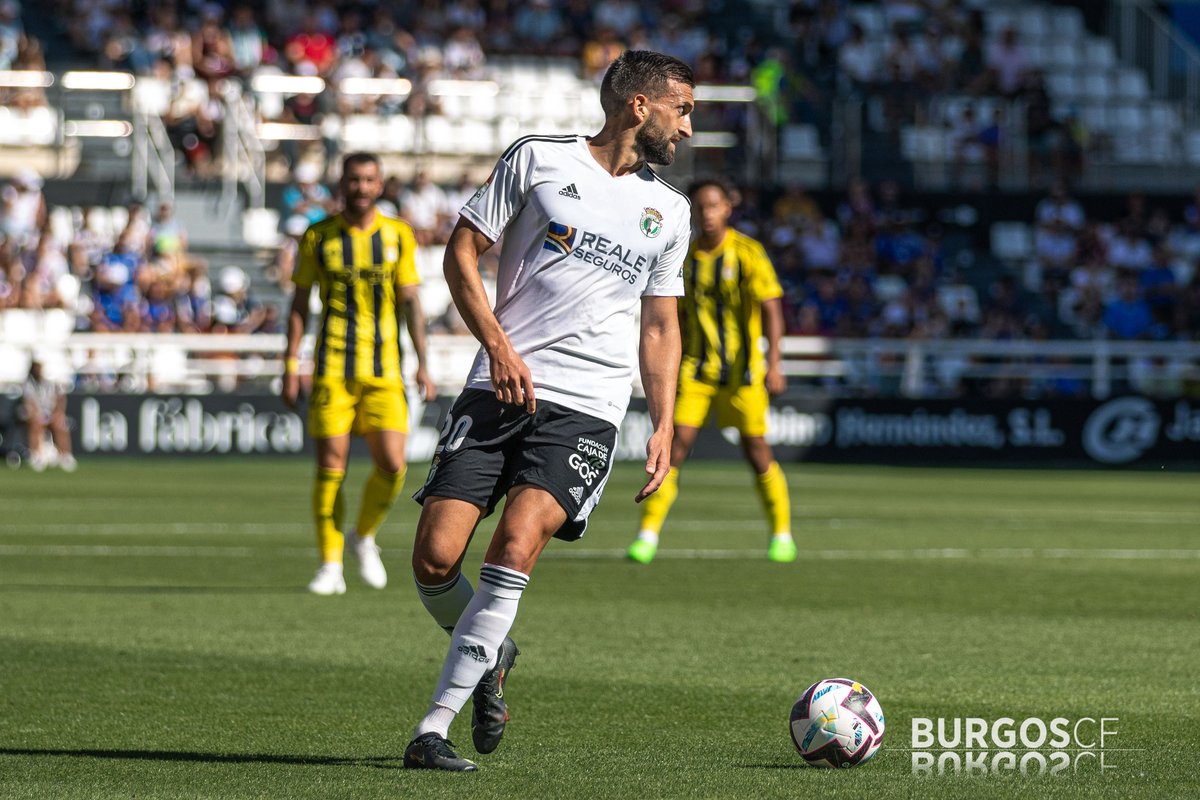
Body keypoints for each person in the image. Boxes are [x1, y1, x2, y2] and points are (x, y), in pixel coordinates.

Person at [403, 50, 694, 772]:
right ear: (639, 106)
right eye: (683, 109)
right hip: (499, 386)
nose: (688, 127)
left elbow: (660, 326)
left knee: (516, 545)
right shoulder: (537, 159)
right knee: (436, 559)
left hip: (589, 405)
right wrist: (497, 346)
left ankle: (432, 728)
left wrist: (662, 423)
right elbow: (460, 254)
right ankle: (492, 653)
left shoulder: (670, 211)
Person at [282, 152, 436, 596]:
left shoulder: (398, 236)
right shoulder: (318, 236)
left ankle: (363, 535)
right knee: (331, 466)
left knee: (393, 463)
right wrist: (290, 365)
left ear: (380, 184)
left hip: (385, 370)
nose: (361, 187)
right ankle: (330, 564)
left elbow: (410, 302)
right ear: (341, 183)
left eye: (369, 180)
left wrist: (423, 362)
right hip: (331, 368)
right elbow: (298, 306)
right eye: (354, 180)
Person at [626, 179, 796, 565]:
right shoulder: (684, 256)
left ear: (727, 209)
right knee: (674, 447)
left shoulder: (748, 253)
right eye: (700, 207)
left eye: (713, 206)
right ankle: (647, 535)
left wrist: (774, 364)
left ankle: (782, 534)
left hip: (743, 375)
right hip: (697, 373)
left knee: (757, 453)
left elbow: (772, 308)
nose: (707, 214)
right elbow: (675, 316)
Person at [22, 361, 76, 472]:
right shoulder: (29, 384)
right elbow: (29, 403)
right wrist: (38, 415)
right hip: (36, 414)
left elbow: (60, 399)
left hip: (50, 413)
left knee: (59, 424)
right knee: (35, 425)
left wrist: (57, 413)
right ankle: (36, 455)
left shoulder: (51, 383)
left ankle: (65, 455)